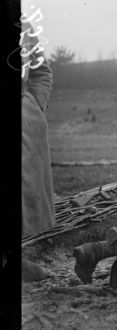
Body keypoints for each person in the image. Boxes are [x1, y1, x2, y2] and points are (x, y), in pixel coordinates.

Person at [21, 22, 56, 281]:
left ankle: (18, 261)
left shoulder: (22, 23)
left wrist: (35, 105)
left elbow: (40, 70)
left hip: (23, 117)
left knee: (24, 192)